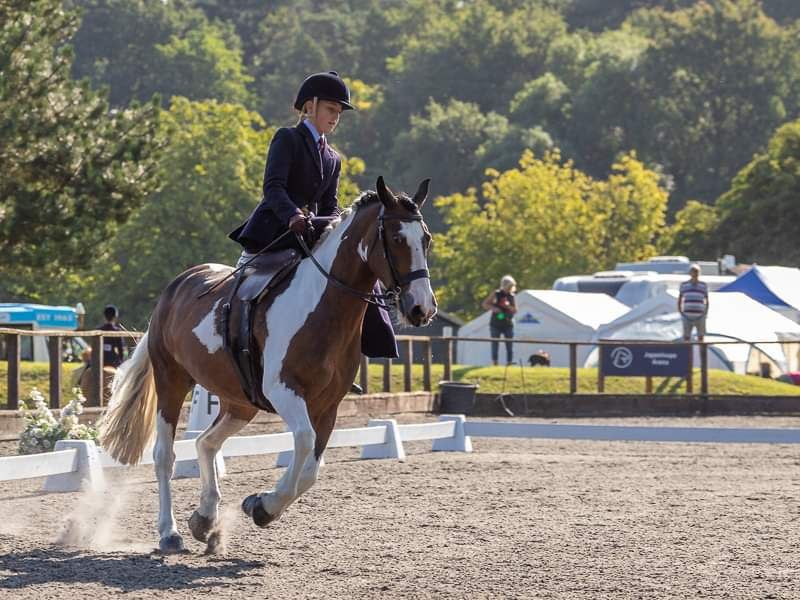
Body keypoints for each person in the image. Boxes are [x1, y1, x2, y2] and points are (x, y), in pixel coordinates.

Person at [228, 71, 398, 370]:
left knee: (355, 276)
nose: (336, 117)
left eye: (339, 113)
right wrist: (293, 213)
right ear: (310, 106)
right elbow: (273, 187)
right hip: (276, 229)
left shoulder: (333, 157)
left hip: (310, 231)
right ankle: (236, 345)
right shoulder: (287, 138)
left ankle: (346, 358)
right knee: (249, 288)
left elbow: (331, 206)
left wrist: (338, 228)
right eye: (331, 110)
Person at [482, 275, 517, 365]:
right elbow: (485, 304)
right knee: (495, 343)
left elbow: (515, 310)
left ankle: (509, 362)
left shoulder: (511, 296)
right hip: (496, 323)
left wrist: (507, 306)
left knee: (509, 344)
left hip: (508, 323)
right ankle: (495, 362)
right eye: (508, 286)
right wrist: (494, 309)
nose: (509, 288)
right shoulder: (496, 294)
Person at [678, 264, 709, 341]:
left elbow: (707, 300)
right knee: (686, 336)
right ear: (690, 273)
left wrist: (705, 312)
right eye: (693, 272)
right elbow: (680, 299)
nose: (695, 274)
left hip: (700, 315)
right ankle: (687, 352)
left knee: (701, 336)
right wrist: (681, 312)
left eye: (696, 272)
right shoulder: (684, 285)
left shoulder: (703, 285)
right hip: (687, 315)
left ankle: (702, 352)